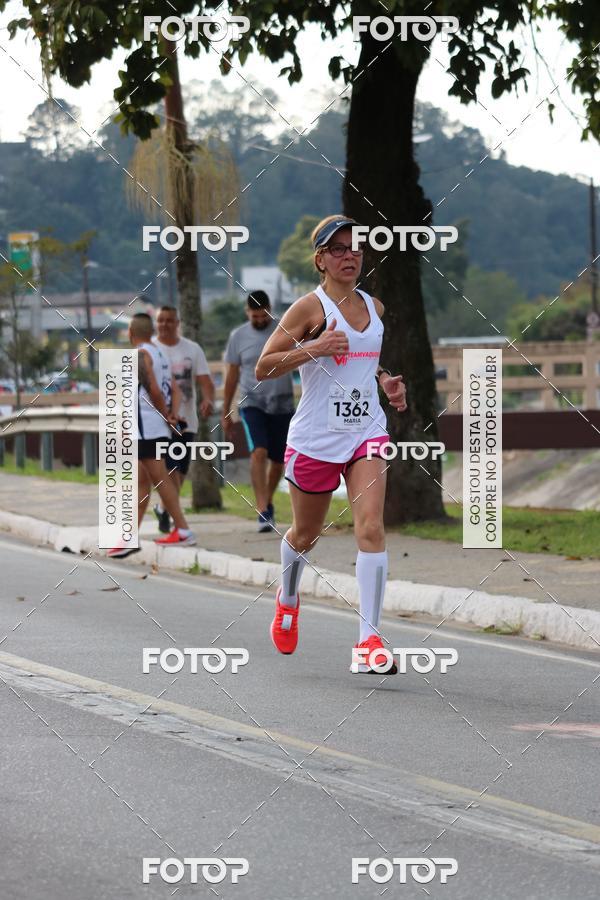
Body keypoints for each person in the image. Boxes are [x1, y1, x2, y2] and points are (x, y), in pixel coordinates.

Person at [255, 215, 407, 673]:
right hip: (316, 438)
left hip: (367, 433)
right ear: (320, 259)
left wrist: (387, 383)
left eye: (356, 247)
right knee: (306, 535)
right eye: (338, 249)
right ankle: (288, 596)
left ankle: (369, 641)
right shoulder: (308, 308)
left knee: (371, 529)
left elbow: (365, 361)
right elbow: (265, 366)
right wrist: (314, 348)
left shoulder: (375, 307)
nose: (349, 255)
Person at [107, 313, 196, 557]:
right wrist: (172, 413)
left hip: (147, 428)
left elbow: (154, 390)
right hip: (152, 428)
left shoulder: (141, 355)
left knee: (159, 479)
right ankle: (129, 537)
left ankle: (183, 530)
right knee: (143, 481)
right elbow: (175, 389)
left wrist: (166, 415)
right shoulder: (160, 354)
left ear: (130, 333)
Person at [222, 291, 295, 532]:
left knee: (278, 461)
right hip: (251, 402)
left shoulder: (284, 328)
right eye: (255, 316)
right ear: (247, 312)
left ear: (269, 309)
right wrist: (226, 410)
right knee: (258, 451)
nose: (260, 320)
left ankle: (269, 502)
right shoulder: (238, 336)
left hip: (282, 403)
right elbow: (232, 375)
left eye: (263, 316)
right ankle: (262, 510)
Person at [152, 305, 215, 533]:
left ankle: (163, 507)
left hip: (185, 420)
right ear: (155, 323)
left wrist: (208, 400)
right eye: (161, 320)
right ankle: (171, 515)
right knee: (168, 469)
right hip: (157, 422)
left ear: (177, 323)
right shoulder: (148, 350)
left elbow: (206, 382)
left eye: (170, 320)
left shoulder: (192, 349)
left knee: (179, 471)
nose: (165, 325)